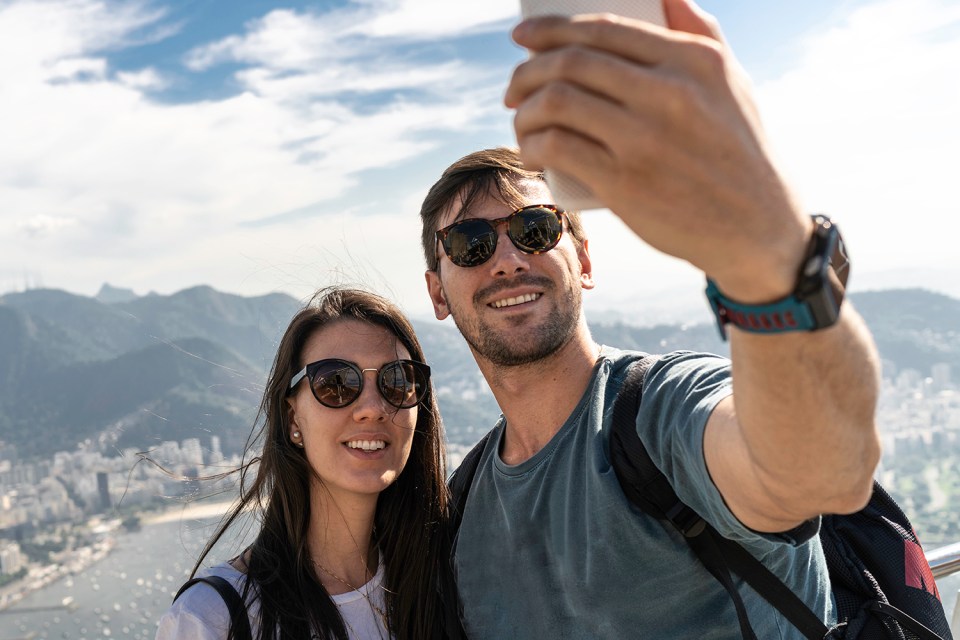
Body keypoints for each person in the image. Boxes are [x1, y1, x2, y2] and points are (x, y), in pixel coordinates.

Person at [419, 1, 882, 638]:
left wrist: (761, 243)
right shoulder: (463, 508)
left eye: (534, 229)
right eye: (470, 244)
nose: (505, 261)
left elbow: (817, 472)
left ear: (581, 258)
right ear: (437, 293)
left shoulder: (658, 413)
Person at [156, 287, 459, 640]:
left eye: (397, 380)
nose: (373, 407)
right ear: (292, 418)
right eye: (336, 383)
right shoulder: (212, 619)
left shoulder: (442, 581)